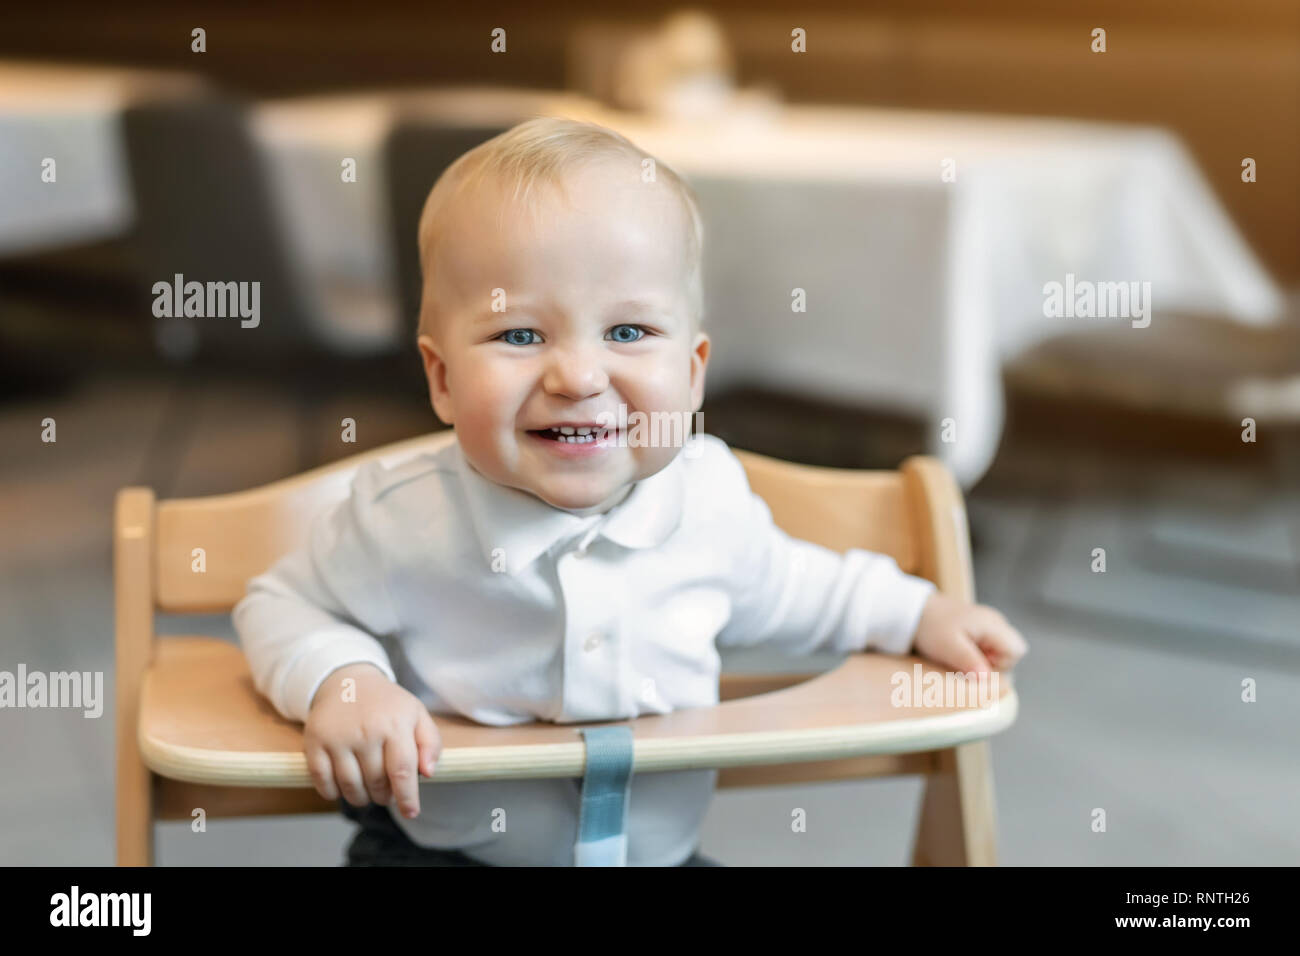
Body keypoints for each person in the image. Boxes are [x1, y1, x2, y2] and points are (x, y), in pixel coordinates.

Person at [232, 116, 1028, 867]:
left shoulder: (708, 507)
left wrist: (922, 614)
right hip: (445, 851)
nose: (576, 376)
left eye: (627, 332)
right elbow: (282, 605)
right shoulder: (403, 519)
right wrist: (346, 683)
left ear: (691, 373)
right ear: (441, 377)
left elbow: (805, 589)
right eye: (519, 335)